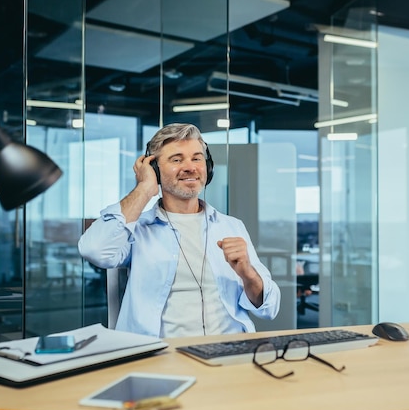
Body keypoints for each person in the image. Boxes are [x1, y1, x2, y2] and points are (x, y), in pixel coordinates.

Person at [78, 123, 280, 338]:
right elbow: (94, 250)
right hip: (162, 356)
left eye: (196, 158)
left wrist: (247, 272)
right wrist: (144, 189)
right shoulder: (137, 228)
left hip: (228, 349)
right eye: (176, 159)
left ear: (207, 166)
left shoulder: (231, 226)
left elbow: (269, 307)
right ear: (155, 170)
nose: (190, 167)